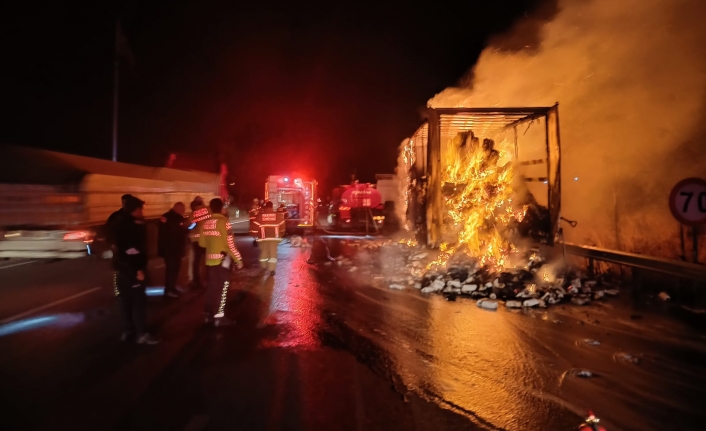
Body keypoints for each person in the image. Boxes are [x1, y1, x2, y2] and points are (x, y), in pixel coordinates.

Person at [114, 196, 159, 344]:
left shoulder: (119, 221)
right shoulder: (131, 225)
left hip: (121, 268)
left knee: (125, 301)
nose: (142, 211)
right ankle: (141, 334)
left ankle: (127, 331)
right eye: (141, 209)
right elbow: (131, 250)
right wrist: (138, 269)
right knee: (139, 303)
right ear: (136, 210)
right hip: (132, 270)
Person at [199, 198, 243, 326]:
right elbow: (230, 244)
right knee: (223, 289)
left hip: (210, 261)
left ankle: (208, 313)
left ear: (211, 208)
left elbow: (202, 243)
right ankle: (219, 317)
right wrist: (238, 259)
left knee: (212, 287)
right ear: (222, 208)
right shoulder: (224, 222)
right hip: (222, 261)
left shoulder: (205, 222)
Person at [158, 202, 188, 298]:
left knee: (173, 270)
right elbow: (179, 232)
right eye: (182, 209)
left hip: (169, 248)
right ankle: (169, 290)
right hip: (173, 249)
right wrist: (190, 227)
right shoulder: (177, 218)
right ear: (177, 208)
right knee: (172, 270)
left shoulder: (165, 217)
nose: (183, 211)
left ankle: (171, 288)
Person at [105, 194, 132, 296]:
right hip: (119, 248)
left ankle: (129, 290)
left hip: (130, 248)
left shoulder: (133, 215)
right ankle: (119, 291)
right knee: (118, 271)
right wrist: (112, 244)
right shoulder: (116, 216)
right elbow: (108, 231)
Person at [252, 201, 285, 276]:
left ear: (265, 207)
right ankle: (272, 270)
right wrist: (281, 233)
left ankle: (263, 267)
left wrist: (255, 235)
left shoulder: (260, 216)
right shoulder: (277, 215)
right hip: (274, 238)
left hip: (263, 238)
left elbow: (255, 228)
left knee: (264, 252)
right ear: (272, 207)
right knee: (273, 254)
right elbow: (282, 226)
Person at [188, 197, 211, 289]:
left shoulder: (193, 214)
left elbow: (190, 227)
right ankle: (208, 279)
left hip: (196, 241)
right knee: (208, 261)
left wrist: (194, 224)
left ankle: (196, 281)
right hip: (207, 239)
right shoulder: (208, 210)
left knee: (196, 262)